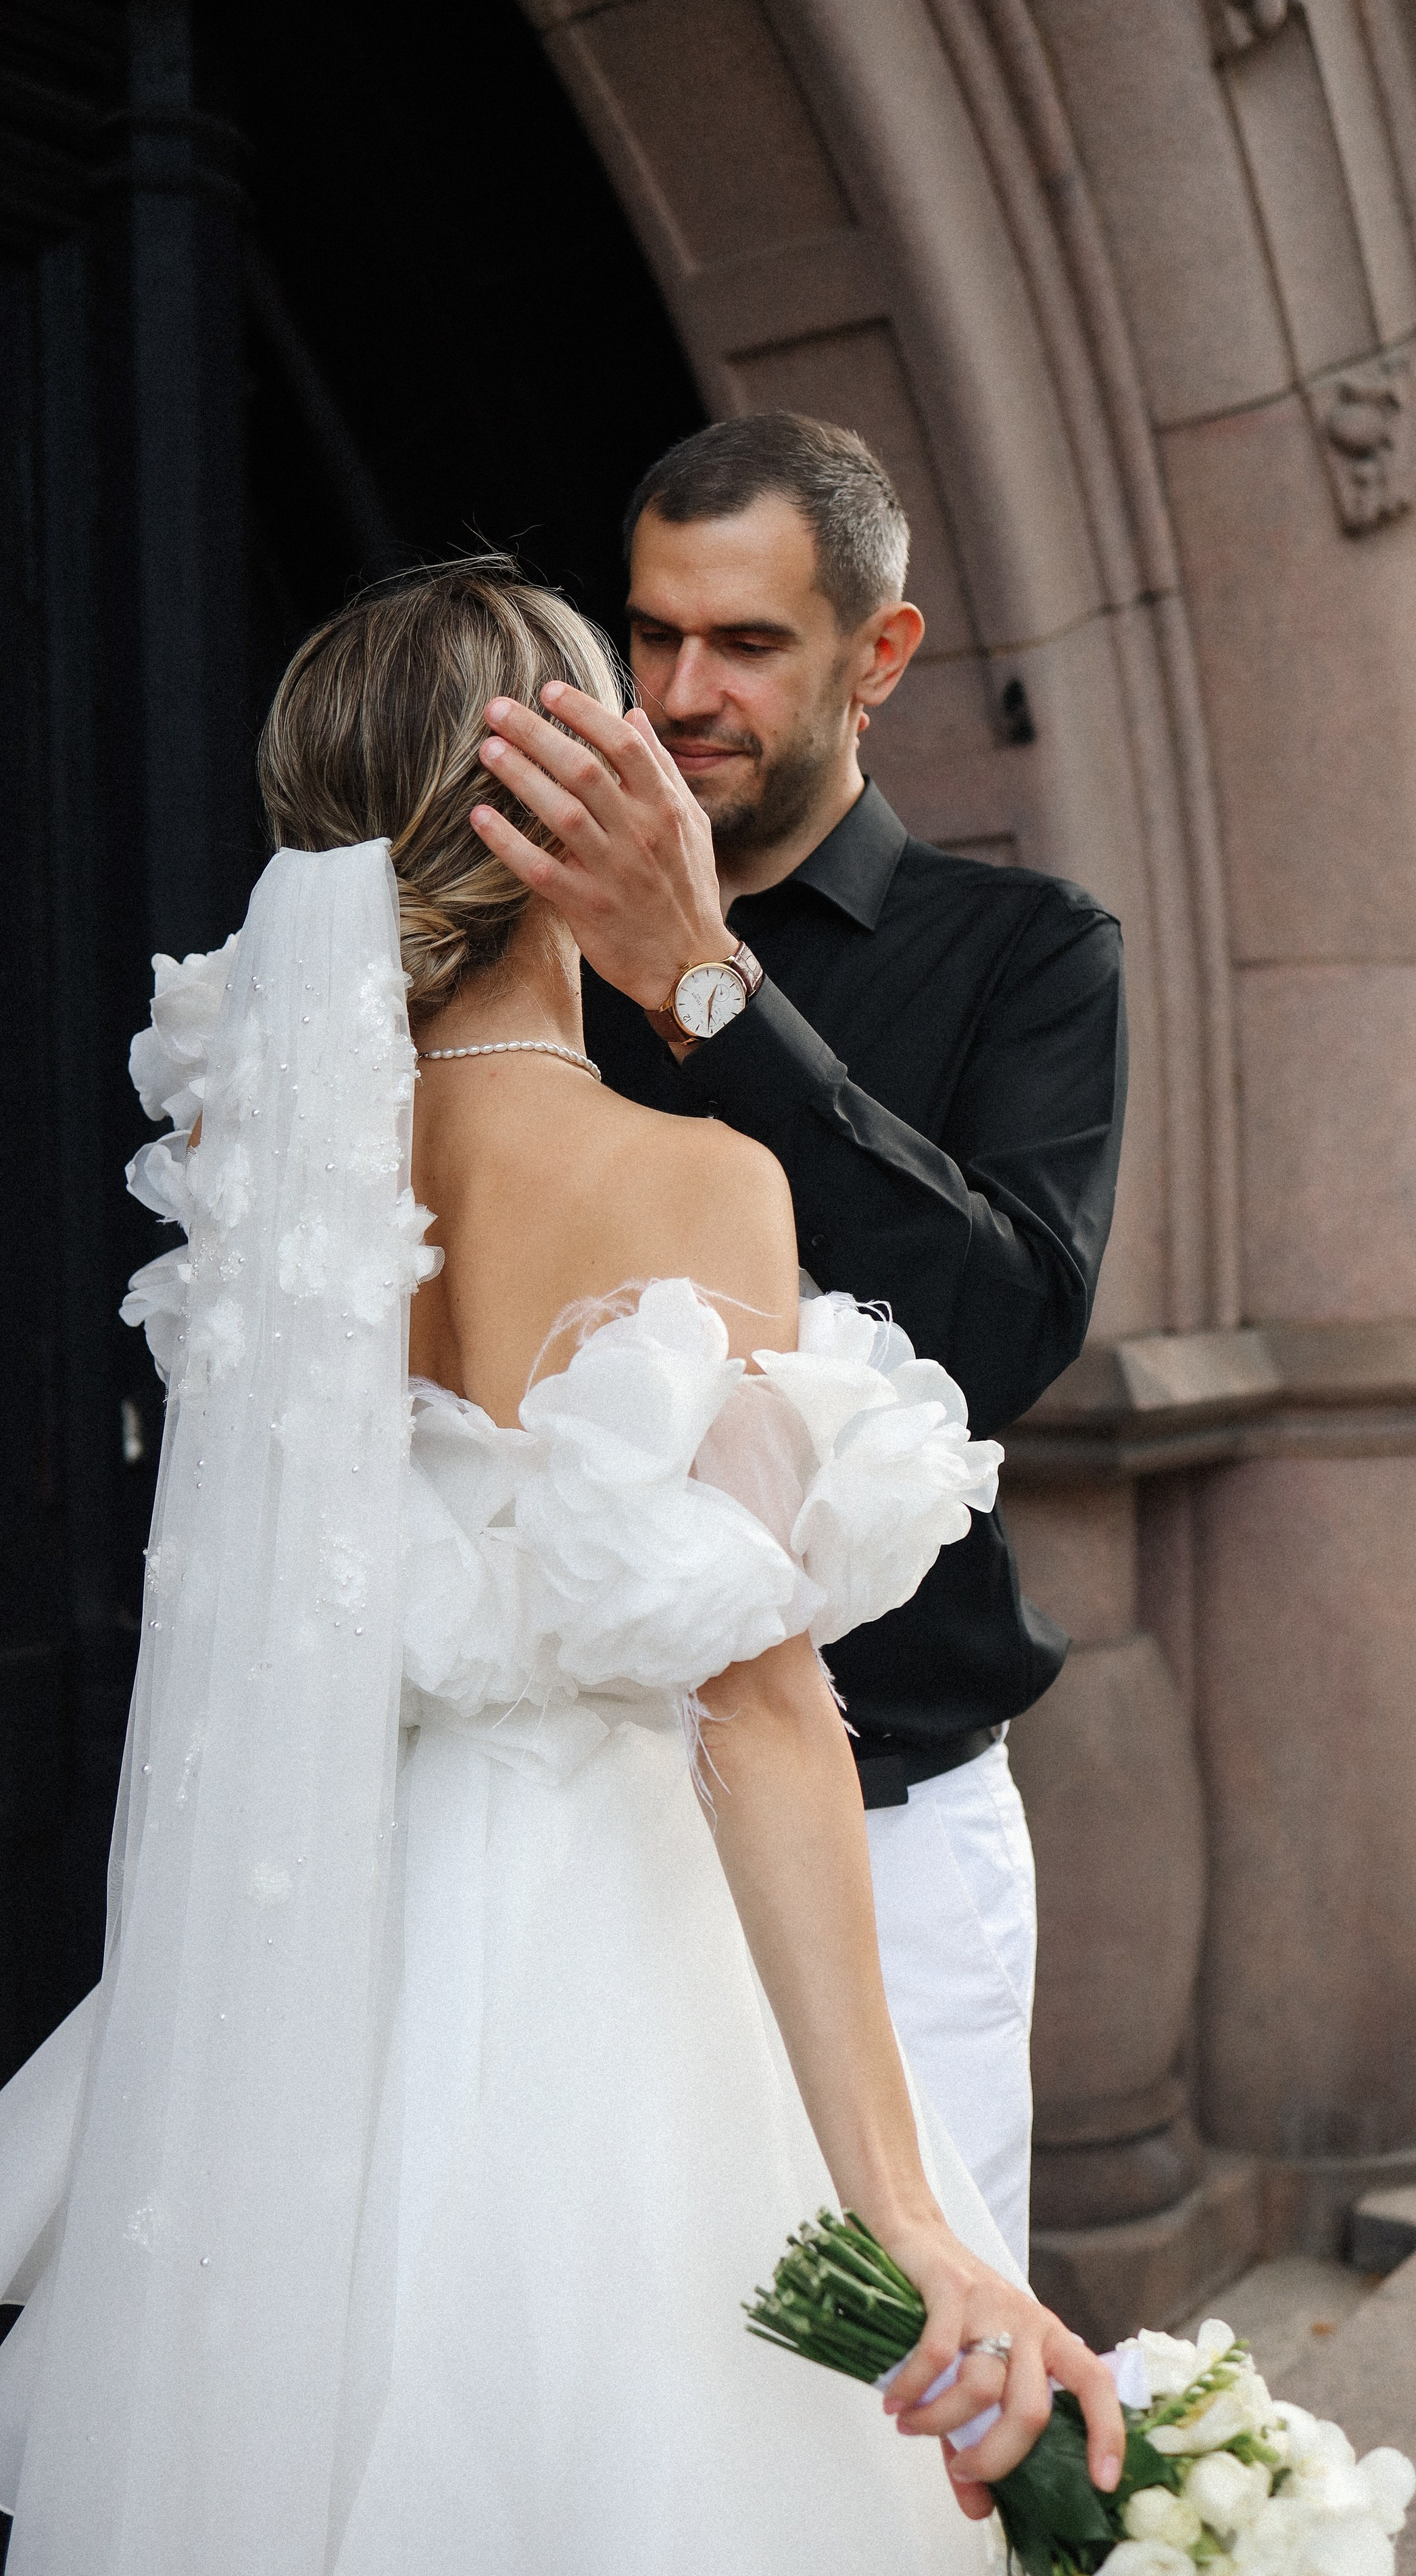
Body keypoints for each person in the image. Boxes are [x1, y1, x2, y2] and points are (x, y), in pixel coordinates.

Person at [0, 563, 1121, 2573]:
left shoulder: (273, 1177)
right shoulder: (685, 1176)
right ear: (566, 815)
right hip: (614, 1963)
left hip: (329, 1953)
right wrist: (909, 2216)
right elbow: (760, 1709)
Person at [470, 412, 1129, 2272]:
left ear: (880, 655)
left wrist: (706, 987)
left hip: (892, 1838)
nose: (679, 693)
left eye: (746, 643)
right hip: (561, 1843)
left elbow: (1005, 1327)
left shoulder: (1029, 952)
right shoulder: (517, 949)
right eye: (653, 634)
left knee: (913, 2400)